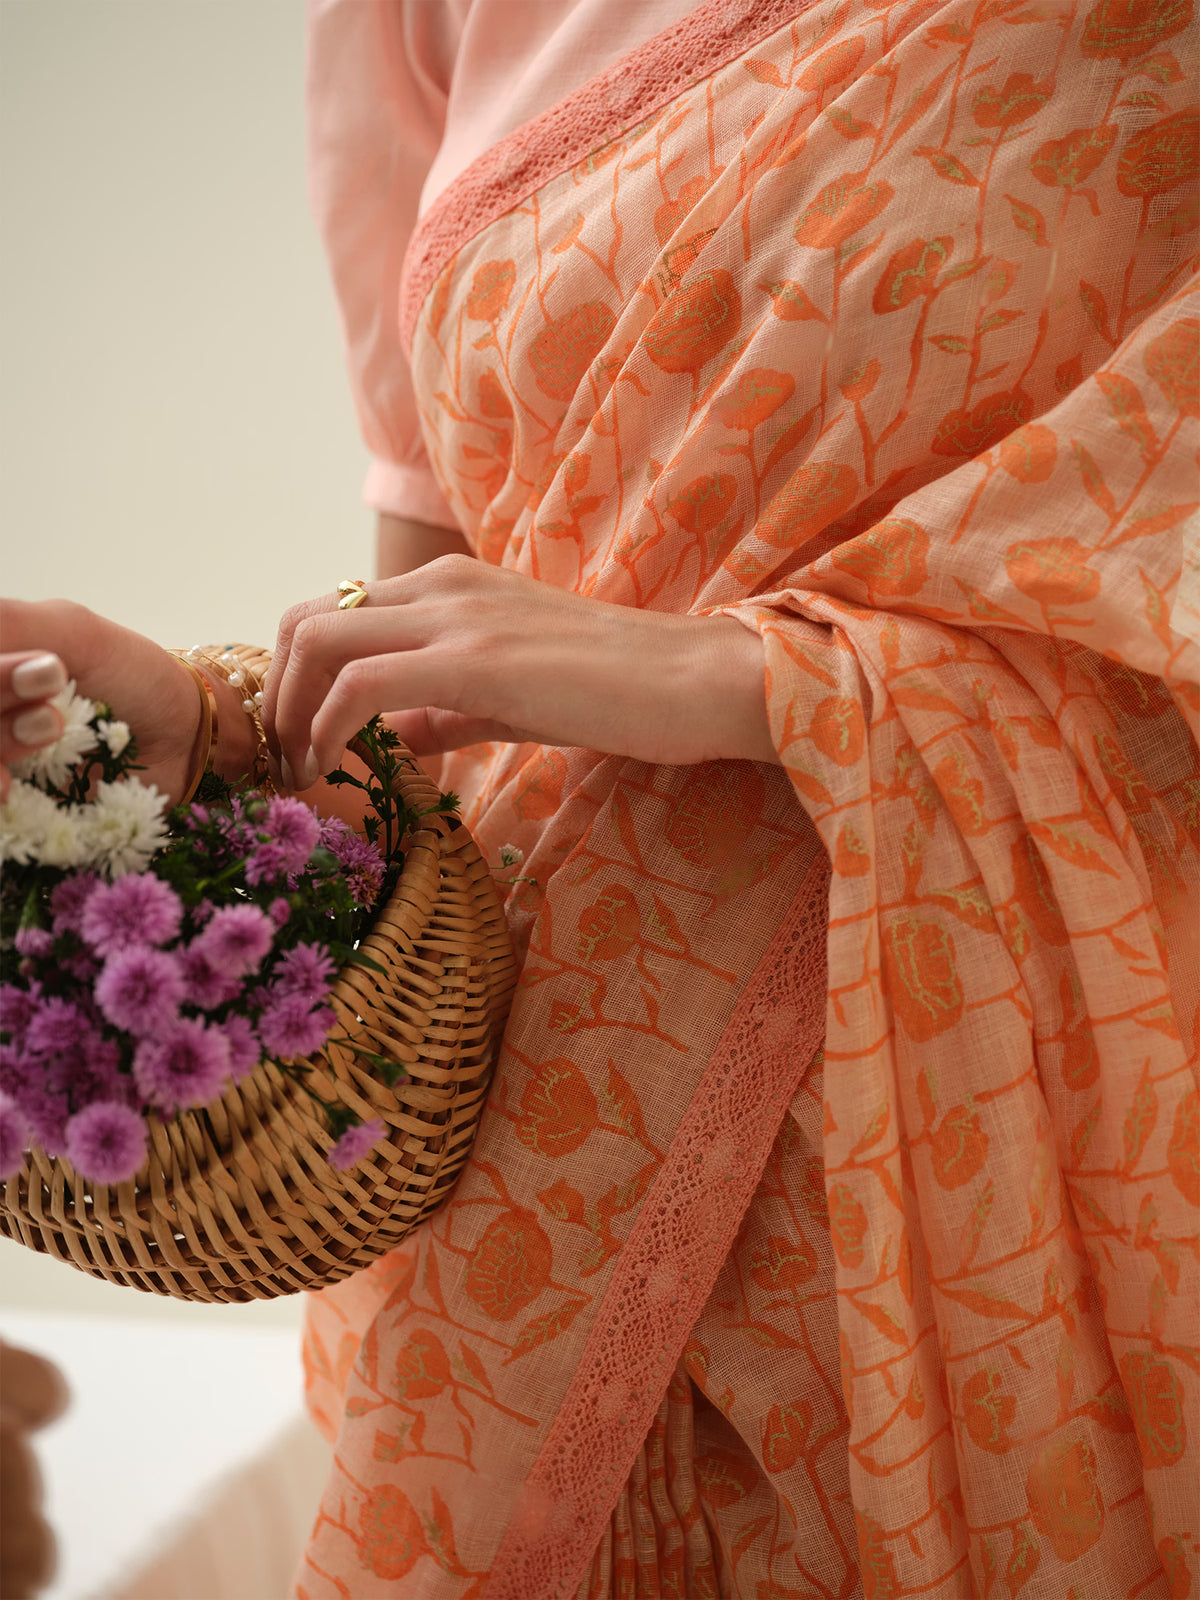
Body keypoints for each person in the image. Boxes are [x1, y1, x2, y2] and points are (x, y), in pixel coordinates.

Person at [2, 0, 1197, 1594]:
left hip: (980, 1176)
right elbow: (444, 679)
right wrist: (219, 739)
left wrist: (738, 683)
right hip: (534, 1200)